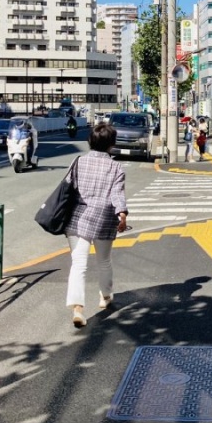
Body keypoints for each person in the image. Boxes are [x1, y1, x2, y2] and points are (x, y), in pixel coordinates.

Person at [64, 123, 128, 328]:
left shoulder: (78, 161)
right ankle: (105, 296)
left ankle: (77, 308)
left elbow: (68, 188)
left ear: (90, 141)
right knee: (104, 260)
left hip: (78, 217)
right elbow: (117, 194)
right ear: (112, 144)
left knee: (78, 263)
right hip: (103, 218)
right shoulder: (115, 167)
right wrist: (122, 214)